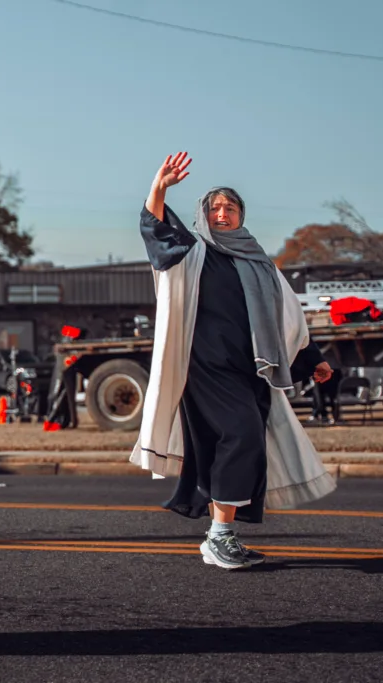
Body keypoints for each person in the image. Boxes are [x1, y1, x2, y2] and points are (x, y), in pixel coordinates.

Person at [130, 151, 338, 570]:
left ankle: (222, 536)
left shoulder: (259, 262)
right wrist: (159, 187)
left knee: (227, 446)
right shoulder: (189, 252)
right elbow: (155, 230)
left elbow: (286, 315)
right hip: (204, 366)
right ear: (202, 215)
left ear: (241, 215)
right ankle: (219, 536)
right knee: (241, 436)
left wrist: (311, 356)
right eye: (215, 208)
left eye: (231, 207)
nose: (222, 214)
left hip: (250, 369)